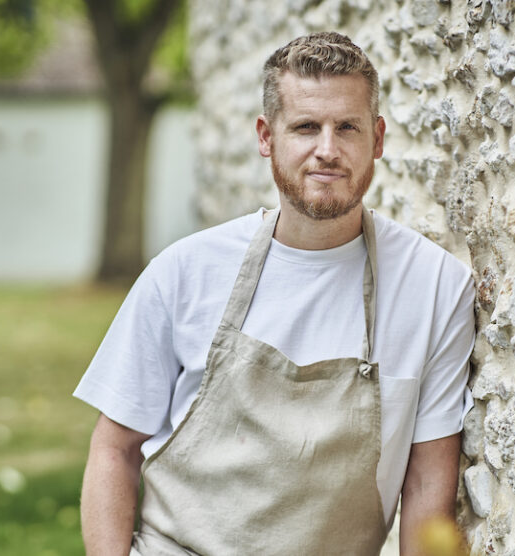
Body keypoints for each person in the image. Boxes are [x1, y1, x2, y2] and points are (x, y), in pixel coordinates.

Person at [75, 32, 475, 556]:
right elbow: (114, 450)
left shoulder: (436, 287)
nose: (327, 150)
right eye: (306, 127)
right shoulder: (184, 272)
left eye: (347, 127)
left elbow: (426, 487)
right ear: (266, 136)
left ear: (377, 138)